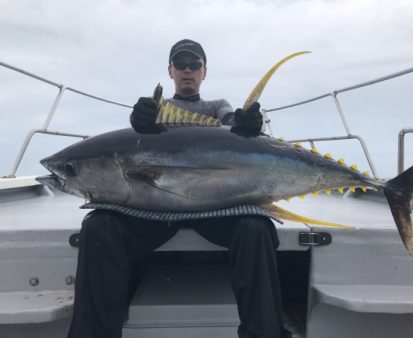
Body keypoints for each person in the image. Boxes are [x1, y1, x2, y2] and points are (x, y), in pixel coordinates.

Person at [67, 39, 290, 338]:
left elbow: (232, 122)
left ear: (204, 72)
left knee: (256, 226)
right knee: (98, 226)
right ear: (170, 71)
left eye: (194, 64)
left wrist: (248, 122)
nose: (188, 70)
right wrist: (139, 123)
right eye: (181, 64)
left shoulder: (216, 106)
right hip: (157, 209)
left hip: (214, 207)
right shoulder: (154, 110)